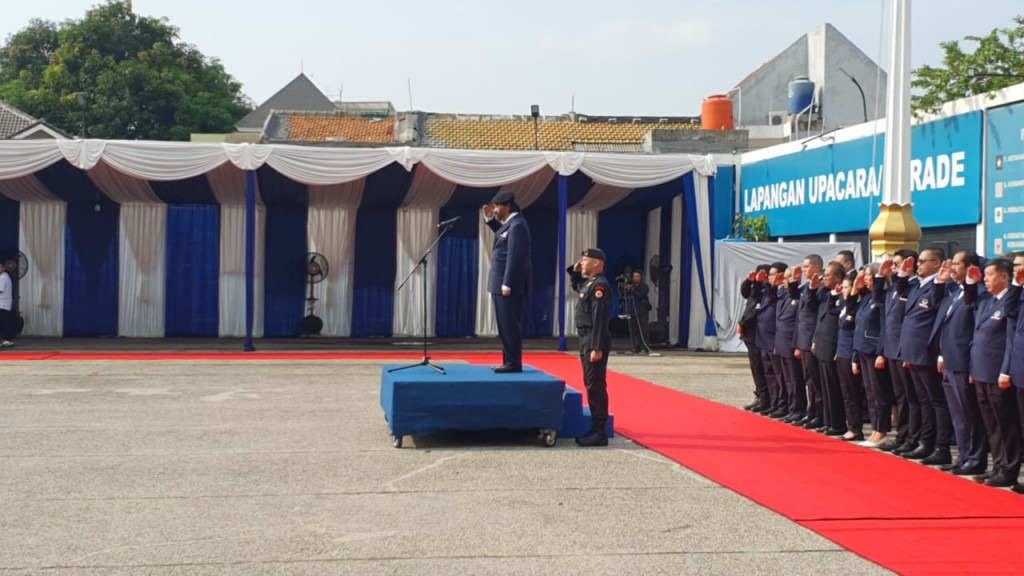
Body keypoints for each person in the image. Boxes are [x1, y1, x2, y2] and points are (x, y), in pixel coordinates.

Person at [930, 252, 988, 475]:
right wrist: (940, 282)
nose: (951, 267)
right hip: (949, 360)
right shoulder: (954, 292)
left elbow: (973, 324)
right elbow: (938, 310)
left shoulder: (978, 293)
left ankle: (975, 459)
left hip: (965, 362)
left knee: (969, 413)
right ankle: (963, 456)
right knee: (957, 414)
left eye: (956, 264)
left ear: (970, 267)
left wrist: (972, 285)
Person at [965, 258, 1021, 488]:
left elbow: (1011, 341)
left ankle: (1009, 469)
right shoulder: (987, 300)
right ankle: (997, 465)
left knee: (1005, 423)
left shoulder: (1012, 300)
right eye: (985, 275)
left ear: (1005, 277)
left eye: (990, 275)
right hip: (981, 370)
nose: (986, 279)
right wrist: (971, 281)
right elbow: (970, 300)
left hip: (999, 371)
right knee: (990, 422)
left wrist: (1006, 370)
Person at [895, 248, 953, 465]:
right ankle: (926, 443)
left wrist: (939, 283)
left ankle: (941, 446)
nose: (918, 265)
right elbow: (902, 296)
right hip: (912, 350)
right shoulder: (916, 285)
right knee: (924, 400)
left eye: (922, 262)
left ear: (936, 263)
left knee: (936, 401)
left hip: (927, 352)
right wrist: (902, 274)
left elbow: (938, 303)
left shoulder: (942, 285)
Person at [482, 191, 532, 373]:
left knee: (510, 325)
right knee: (504, 325)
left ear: (507, 206)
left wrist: (507, 283)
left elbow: (515, 257)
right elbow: (503, 236)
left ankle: (513, 363)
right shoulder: (511, 225)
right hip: (501, 283)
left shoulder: (518, 225)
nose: (495, 210)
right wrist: (490, 221)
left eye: (497, 207)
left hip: (509, 285)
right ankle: (509, 361)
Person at [568, 248, 613, 447]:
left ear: (597, 263)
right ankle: (596, 428)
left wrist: (597, 347)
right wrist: (575, 272)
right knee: (590, 382)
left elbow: (600, 320)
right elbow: (578, 288)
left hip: (594, 339)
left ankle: (599, 431)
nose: (581, 262)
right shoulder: (590, 283)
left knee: (595, 385)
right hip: (585, 338)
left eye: (585, 260)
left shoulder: (600, 286)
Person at [623, 270, 651, 354]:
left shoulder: (644, 286)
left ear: (641, 277)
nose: (635, 278)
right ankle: (636, 347)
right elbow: (625, 294)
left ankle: (645, 347)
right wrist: (625, 288)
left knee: (644, 329)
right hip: (633, 310)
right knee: (634, 329)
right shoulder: (632, 285)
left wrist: (631, 289)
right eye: (634, 276)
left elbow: (640, 295)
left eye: (637, 276)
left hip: (642, 310)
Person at [0, 260, 14, 348]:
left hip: (2, 304)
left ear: (4, 268)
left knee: (4, 322)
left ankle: (7, 339)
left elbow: (0, 290)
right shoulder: (4, 277)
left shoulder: (3, 277)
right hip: (4, 304)